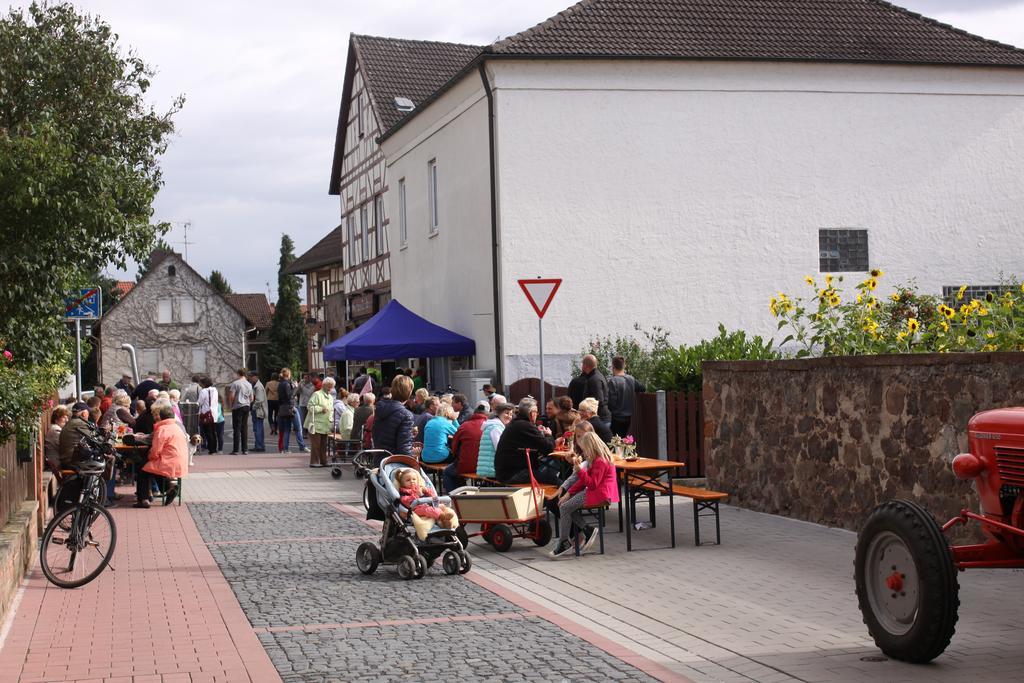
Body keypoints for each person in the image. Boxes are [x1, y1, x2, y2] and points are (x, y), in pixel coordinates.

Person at [549, 431, 619, 558]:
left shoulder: (600, 461)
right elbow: (584, 482)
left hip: (599, 494)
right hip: (596, 492)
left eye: (584, 448)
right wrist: (569, 493)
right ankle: (586, 530)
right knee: (566, 506)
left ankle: (564, 542)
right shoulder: (597, 458)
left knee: (564, 507)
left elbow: (592, 484)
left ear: (590, 446)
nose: (584, 452)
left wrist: (580, 471)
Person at [494, 398, 560, 485]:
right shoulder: (525, 426)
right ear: (532, 413)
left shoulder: (516, 423)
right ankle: (551, 498)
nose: (537, 415)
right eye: (536, 412)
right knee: (557, 481)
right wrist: (548, 435)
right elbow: (549, 448)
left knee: (548, 472)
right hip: (513, 474)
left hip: (505, 472)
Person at [134, 404, 189, 509]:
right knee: (152, 467)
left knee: (142, 469)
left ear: (161, 417)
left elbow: (155, 451)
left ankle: (143, 499)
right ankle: (169, 488)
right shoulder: (177, 427)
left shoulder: (162, 429)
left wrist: (149, 456)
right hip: (180, 462)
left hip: (169, 462)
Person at [443, 404, 488, 492]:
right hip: (487, 467)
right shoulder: (492, 426)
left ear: (473, 414)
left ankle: (455, 498)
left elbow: (454, 447)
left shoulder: (464, 426)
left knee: (447, 472)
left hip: (466, 465)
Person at [372, 375, 415, 455]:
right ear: (409, 392)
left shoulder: (380, 408)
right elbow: (404, 448)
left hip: (379, 459)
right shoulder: (406, 415)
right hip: (394, 462)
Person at [567, 354, 611, 429]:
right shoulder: (598, 376)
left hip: (600, 420)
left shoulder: (594, 380)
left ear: (584, 366)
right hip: (602, 418)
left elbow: (598, 400)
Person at [607, 356, 646, 438]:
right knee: (623, 440)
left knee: (615, 442)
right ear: (624, 366)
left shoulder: (613, 381)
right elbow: (642, 388)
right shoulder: (631, 379)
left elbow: (611, 403)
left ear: (613, 366)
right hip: (628, 417)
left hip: (616, 417)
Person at [475, 403, 514, 478]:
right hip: (492, 470)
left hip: (486, 468)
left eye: (511, 414)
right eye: (506, 413)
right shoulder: (496, 428)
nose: (509, 416)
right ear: (499, 413)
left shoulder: (491, 425)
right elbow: (500, 449)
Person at [305, 377, 335, 467]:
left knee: (323, 445)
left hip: (325, 424)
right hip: (316, 424)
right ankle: (314, 462)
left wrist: (331, 419)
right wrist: (321, 409)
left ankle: (323, 461)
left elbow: (331, 410)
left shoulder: (330, 397)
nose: (330, 389)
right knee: (316, 445)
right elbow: (309, 407)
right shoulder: (317, 394)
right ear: (324, 385)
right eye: (329, 386)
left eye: (332, 387)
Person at [277, 368, 308, 453]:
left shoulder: (280, 384)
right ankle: (302, 446)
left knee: (287, 429)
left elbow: (280, 398)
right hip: (291, 407)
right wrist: (295, 388)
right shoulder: (286, 384)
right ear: (288, 375)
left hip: (283, 408)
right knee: (298, 428)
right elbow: (290, 396)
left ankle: (285, 448)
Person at [58, 402, 95, 469]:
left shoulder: (71, 422)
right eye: (88, 412)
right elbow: (93, 437)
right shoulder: (80, 423)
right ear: (84, 413)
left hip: (66, 459)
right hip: (72, 462)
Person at [227, 368, 253, 455]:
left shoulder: (235, 383)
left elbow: (232, 396)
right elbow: (252, 398)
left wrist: (231, 405)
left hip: (238, 406)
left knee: (237, 428)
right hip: (246, 406)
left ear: (238, 374)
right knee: (244, 427)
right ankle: (245, 449)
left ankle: (236, 449)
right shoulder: (249, 384)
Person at [44, 406, 70, 471]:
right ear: (56, 419)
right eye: (63, 417)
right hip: (57, 463)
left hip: (56, 461)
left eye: (67, 417)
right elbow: (64, 446)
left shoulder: (56, 428)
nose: (67, 420)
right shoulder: (55, 429)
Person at [198, 377, 220, 454]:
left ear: (204, 384)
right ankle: (214, 448)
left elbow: (199, 402)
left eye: (201, 383)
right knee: (213, 432)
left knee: (208, 432)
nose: (200, 385)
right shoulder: (215, 390)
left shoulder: (203, 391)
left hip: (206, 413)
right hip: (214, 413)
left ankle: (211, 449)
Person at [249, 371, 268, 452]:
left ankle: (259, 446)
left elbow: (259, 400)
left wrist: (253, 407)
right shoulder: (256, 385)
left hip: (258, 411)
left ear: (255, 377)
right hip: (257, 410)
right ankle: (259, 445)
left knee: (258, 429)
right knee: (258, 428)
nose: (249, 378)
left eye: (250, 377)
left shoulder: (258, 386)